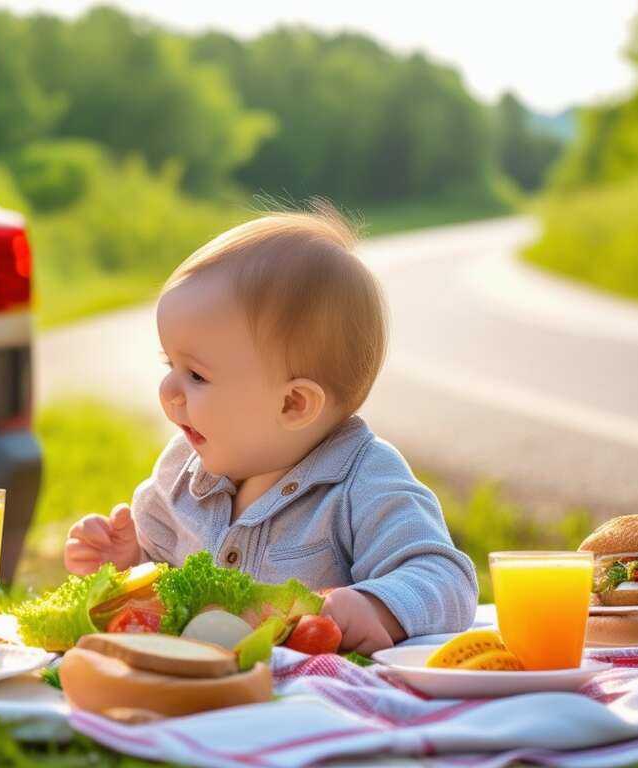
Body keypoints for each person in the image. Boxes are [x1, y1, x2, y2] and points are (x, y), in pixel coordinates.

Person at [63, 203, 478, 654]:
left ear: (293, 403)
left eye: (197, 375)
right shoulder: (182, 469)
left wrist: (377, 607)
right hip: (201, 690)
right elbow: (162, 583)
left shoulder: (363, 479)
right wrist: (128, 564)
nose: (168, 390)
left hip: (309, 701)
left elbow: (445, 576)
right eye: (170, 365)